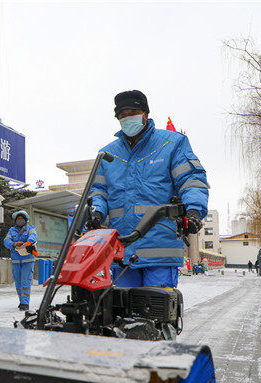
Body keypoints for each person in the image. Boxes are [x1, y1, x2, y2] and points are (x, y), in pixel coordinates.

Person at [89, 90, 209, 288]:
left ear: (145, 114)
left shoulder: (172, 144)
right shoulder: (108, 154)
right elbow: (98, 192)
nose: (127, 118)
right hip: (122, 250)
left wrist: (194, 210)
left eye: (132, 113)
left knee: (155, 311)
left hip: (160, 250)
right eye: (122, 115)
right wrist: (96, 212)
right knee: (121, 313)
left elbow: (191, 180)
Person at [3, 210, 37, 310]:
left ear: (26, 220)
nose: (20, 221)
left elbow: (33, 236)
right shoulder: (12, 230)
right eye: (18, 219)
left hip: (28, 259)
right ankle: (21, 301)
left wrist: (27, 243)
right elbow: (6, 241)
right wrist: (14, 244)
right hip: (16, 261)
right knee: (18, 282)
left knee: (25, 281)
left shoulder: (31, 228)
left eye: (21, 219)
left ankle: (25, 303)